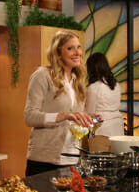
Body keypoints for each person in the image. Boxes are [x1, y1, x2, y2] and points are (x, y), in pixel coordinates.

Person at [24, 30, 94, 176]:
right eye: (70, 48)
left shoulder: (78, 81)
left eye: (79, 47)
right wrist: (63, 115)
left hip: (72, 159)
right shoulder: (42, 75)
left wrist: (90, 120)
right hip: (44, 160)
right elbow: (30, 117)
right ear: (58, 53)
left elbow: (75, 120)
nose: (77, 53)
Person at [84, 52, 123, 137]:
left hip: (101, 130)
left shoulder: (94, 87)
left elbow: (89, 112)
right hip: (118, 128)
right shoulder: (116, 85)